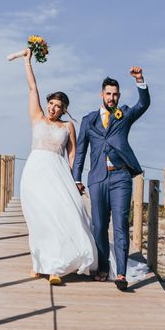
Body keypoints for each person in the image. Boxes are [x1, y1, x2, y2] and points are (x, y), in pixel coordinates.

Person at [19, 48, 97, 285]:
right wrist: (27, 62)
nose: (53, 108)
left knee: (59, 216)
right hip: (34, 173)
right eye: (51, 104)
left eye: (58, 106)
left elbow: (73, 155)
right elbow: (33, 88)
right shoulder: (37, 117)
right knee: (38, 218)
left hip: (58, 173)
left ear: (64, 109)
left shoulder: (68, 126)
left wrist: (76, 180)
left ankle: (56, 267)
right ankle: (39, 263)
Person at [72, 69, 150, 290]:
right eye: (108, 94)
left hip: (121, 178)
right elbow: (80, 152)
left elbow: (143, 105)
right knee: (98, 227)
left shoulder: (124, 115)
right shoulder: (89, 120)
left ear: (119, 96)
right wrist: (76, 178)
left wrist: (140, 81)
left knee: (120, 226)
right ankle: (104, 267)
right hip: (97, 179)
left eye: (115, 94)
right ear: (101, 95)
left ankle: (122, 274)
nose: (112, 98)